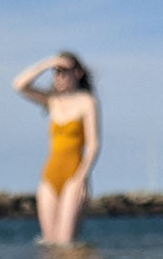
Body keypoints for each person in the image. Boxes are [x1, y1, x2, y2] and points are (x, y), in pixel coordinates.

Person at [12, 52, 100, 245]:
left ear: (77, 73)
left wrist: (81, 178)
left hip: (74, 176)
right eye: (55, 72)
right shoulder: (51, 101)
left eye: (63, 71)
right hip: (50, 176)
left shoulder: (87, 102)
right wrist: (48, 62)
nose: (58, 76)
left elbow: (93, 145)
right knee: (49, 244)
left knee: (65, 244)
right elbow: (18, 85)